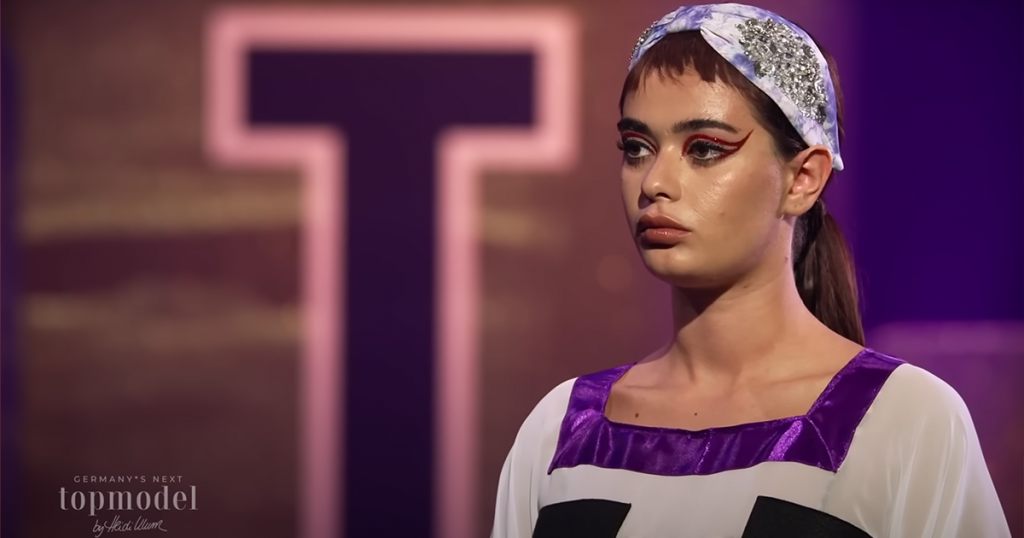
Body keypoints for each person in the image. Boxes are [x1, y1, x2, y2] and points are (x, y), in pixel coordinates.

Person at [489, 4, 1011, 537]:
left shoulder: (904, 418)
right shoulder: (560, 430)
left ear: (803, 179)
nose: (654, 183)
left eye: (705, 149)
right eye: (637, 148)